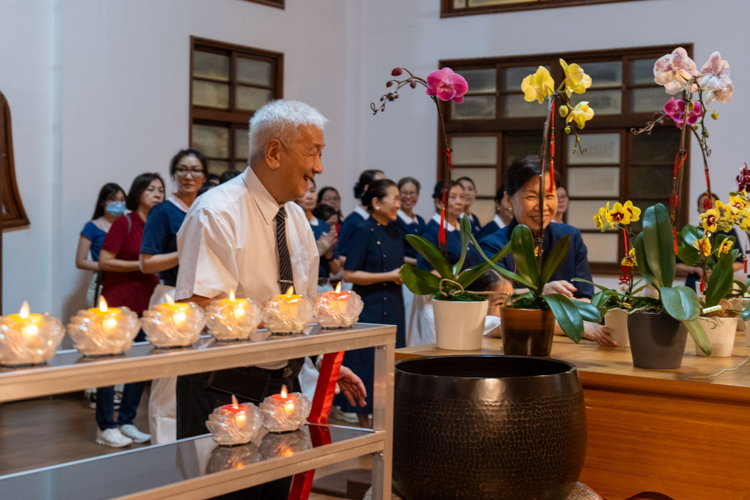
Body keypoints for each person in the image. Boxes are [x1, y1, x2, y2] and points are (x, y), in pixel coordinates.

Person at [174, 100, 367, 500]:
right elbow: (200, 308)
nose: (319, 167)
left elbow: (305, 305)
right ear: (274, 152)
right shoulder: (217, 212)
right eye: (313, 152)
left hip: (282, 389)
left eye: (321, 153)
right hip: (221, 388)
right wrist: (280, 326)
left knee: (277, 492)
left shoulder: (295, 217)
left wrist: (320, 356)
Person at [479, 155, 615, 347]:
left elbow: (585, 299)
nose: (542, 207)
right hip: (514, 343)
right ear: (509, 199)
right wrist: (542, 293)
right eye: (531, 197)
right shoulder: (492, 246)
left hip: (570, 345)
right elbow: (497, 309)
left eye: (549, 196)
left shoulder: (569, 238)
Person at [139, 149, 206, 445]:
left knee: (199, 377)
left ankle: (194, 444)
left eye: (195, 170)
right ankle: (164, 448)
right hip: (169, 296)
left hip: (202, 298)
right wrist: (187, 252)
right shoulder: (163, 211)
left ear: (204, 176)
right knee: (167, 380)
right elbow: (146, 262)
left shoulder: (208, 208)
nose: (188, 175)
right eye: (182, 169)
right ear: (174, 175)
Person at [95, 172, 165, 447]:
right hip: (118, 303)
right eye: (151, 189)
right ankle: (105, 426)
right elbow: (104, 260)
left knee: (140, 366)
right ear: (138, 193)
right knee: (110, 368)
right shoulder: (125, 222)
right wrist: (141, 265)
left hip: (147, 302)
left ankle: (126, 421)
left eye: (161, 189)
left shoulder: (157, 224)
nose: (157, 194)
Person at [340, 179, 405, 428]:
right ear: (376, 203)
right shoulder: (363, 229)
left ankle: (386, 421)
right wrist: (389, 275)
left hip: (395, 305)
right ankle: (364, 425)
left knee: (391, 364)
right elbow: (349, 274)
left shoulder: (394, 229)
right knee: (367, 364)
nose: (398, 204)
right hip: (370, 306)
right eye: (394, 199)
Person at [407, 181, 483, 347]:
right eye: (453, 197)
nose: (459, 202)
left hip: (464, 300)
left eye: (462, 197)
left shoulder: (462, 229)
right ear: (439, 202)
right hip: (440, 304)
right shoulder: (432, 231)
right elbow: (426, 273)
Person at [676, 192, 744, 291]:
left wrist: (718, 270)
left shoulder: (728, 232)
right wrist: (695, 269)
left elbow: (740, 263)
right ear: (698, 210)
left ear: (717, 209)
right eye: (703, 205)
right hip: (695, 282)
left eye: (710, 205)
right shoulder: (691, 234)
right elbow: (677, 265)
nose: (706, 208)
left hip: (720, 282)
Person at [76, 183, 127, 308]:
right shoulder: (92, 227)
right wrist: (107, 265)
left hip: (125, 281)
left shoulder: (128, 225)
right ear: (103, 203)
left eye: (122, 200)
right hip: (101, 281)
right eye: (113, 200)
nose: (118, 204)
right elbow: (80, 261)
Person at [296, 178, 341, 287]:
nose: (309, 196)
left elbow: (336, 270)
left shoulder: (324, 225)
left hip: (324, 285)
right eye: (304, 191)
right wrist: (318, 251)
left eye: (312, 191)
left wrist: (329, 255)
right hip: (303, 285)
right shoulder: (293, 225)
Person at [395, 177, 426, 335]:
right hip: (404, 277)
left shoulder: (420, 221)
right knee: (407, 322)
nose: (408, 197)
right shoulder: (395, 221)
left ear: (418, 195)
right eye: (404, 193)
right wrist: (416, 261)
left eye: (412, 193)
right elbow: (397, 252)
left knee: (418, 323)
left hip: (420, 277)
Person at [337, 169, 385, 260]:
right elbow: (341, 255)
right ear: (367, 188)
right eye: (381, 185)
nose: (385, 190)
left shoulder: (381, 220)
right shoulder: (351, 222)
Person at [466, 268, 513, 337]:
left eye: (510, 300)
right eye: (500, 303)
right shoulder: (483, 322)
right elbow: (506, 328)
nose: (509, 307)